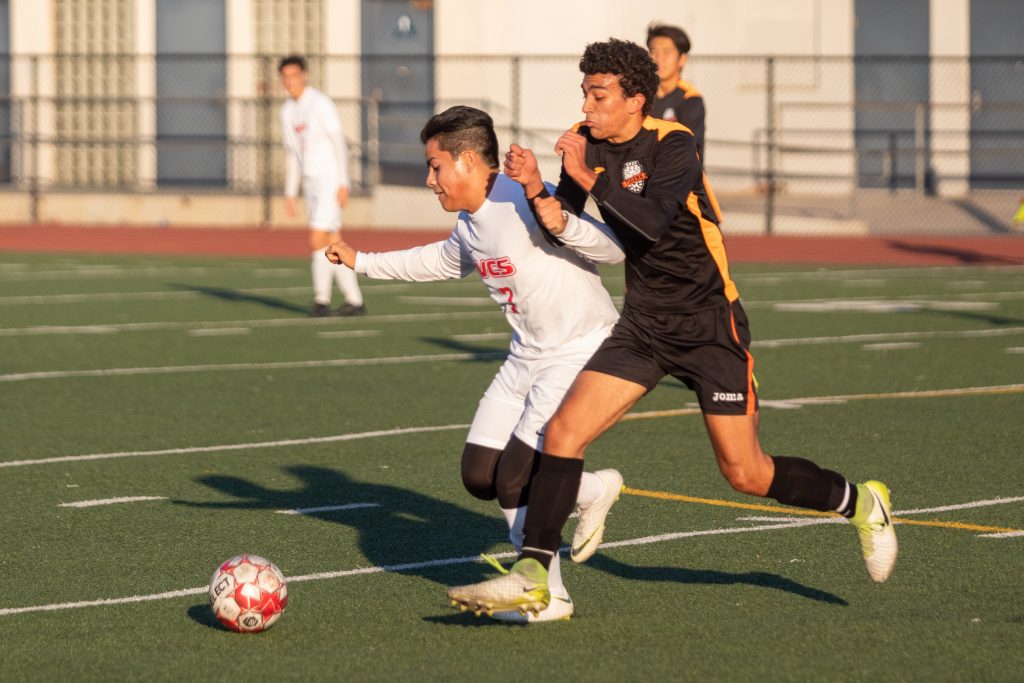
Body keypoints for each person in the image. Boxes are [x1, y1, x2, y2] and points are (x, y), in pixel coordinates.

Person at [447, 38, 897, 617]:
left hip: (710, 327)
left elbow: (652, 224)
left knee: (746, 473)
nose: (587, 105)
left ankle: (861, 502)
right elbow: (566, 220)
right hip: (643, 325)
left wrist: (587, 177)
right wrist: (540, 190)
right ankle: (536, 572)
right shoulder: (582, 142)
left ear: (635, 99)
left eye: (599, 94)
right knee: (562, 435)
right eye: (584, 92)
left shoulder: (674, 144)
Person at [325, 105, 626, 622]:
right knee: (479, 474)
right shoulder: (470, 223)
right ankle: (593, 488)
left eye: (435, 166)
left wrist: (554, 213)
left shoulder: (522, 199)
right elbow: (439, 261)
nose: (429, 179)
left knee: (515, 478)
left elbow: (613, 249)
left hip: (578, 350)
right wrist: (362, 261)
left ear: (467, 162)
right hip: (526, 355)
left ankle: (547, 595)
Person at [279, 54, 365, 317]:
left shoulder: (319, 103)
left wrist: (344, 181)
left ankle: (322, 300)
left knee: (317, 238)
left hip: (329, 179)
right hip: (311, 183)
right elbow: (293, 153)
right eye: (285, 77)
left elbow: (338, 141)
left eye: (294, 75)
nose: (290, 81)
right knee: (332, 240)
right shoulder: (286, 111)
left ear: (305, 75)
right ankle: (354, 301)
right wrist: (291, 191)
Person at [647, 23, 706, 163]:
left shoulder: (690, 99)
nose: (659, 58)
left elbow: (689, 149)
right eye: (654, 51)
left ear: (682, 59)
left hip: (678, 177)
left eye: (667, 52)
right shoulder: (640, 96)